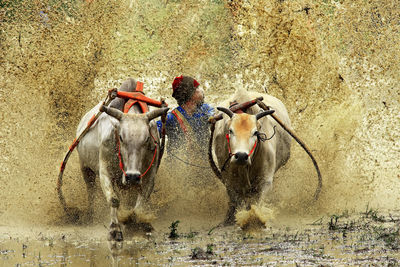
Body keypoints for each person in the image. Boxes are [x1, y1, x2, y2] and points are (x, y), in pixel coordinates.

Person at [157, 75, 214, 158]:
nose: (202, 90)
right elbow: (153, 133)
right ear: (191, 94)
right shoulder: (171, 118)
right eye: (198, 87)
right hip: (176, 166)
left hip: (205, 164)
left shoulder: (206, 110)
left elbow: (214, 117)